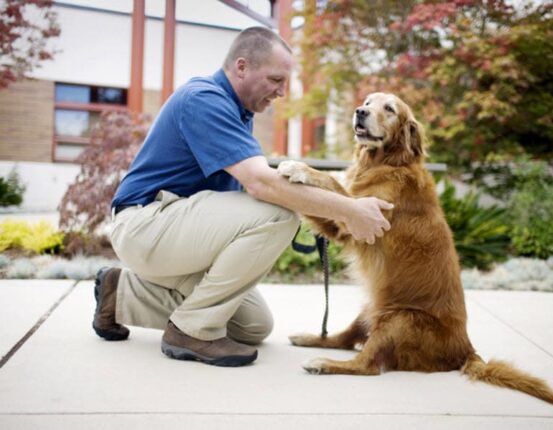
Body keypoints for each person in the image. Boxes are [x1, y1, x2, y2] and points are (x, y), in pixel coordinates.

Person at [93, 27, 393, 367]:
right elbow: (262, 184)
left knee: (252, 325)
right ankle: (191, 331)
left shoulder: (238, 113)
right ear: (241, 67)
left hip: (172, 233)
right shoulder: (204, 100)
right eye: (275, 80)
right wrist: (351, 210)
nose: (281, 92)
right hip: (145, 225)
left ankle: (120, 295)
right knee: (279, 214)